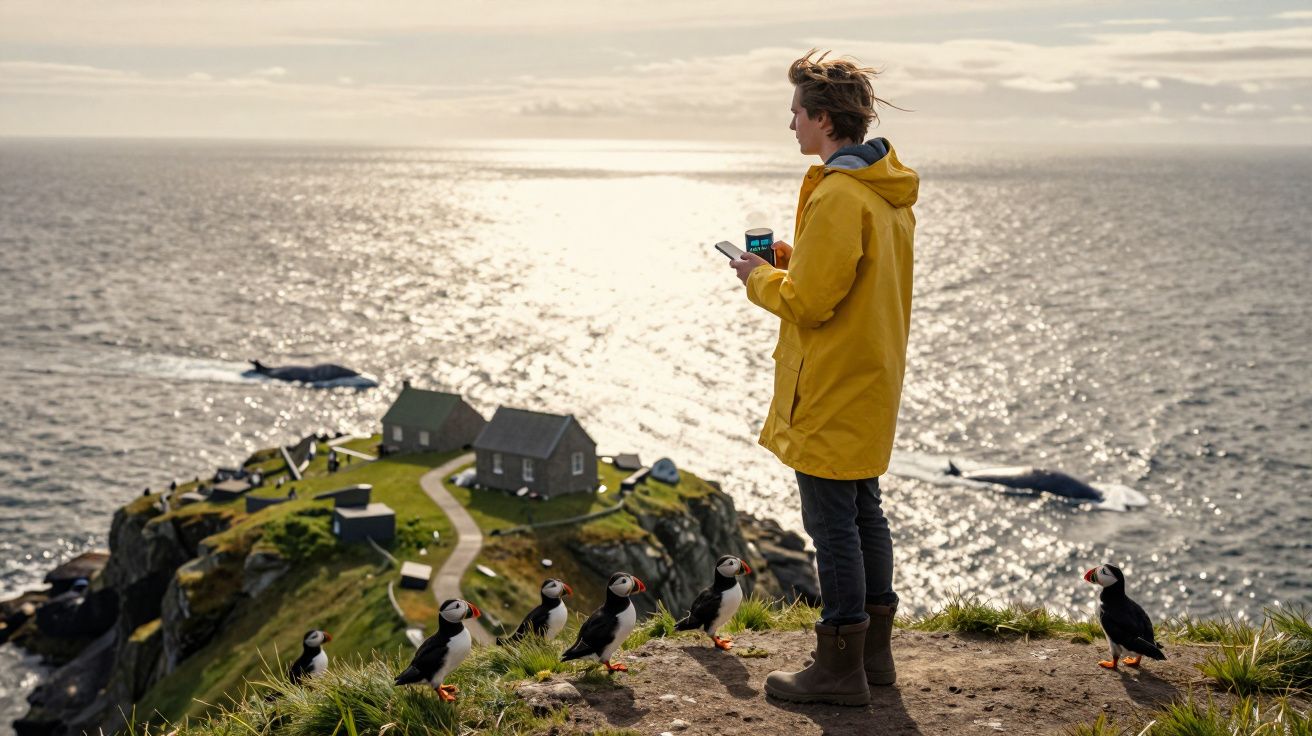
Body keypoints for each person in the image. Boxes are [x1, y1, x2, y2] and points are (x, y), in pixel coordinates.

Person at [729, 49, 918, 706]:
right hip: (870, 378)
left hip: (832, 385)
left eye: (796, 115)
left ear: (824, 119)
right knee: (866, 514)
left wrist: (761, 280)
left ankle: (839, 667)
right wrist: (791, 261)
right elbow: (848, 281)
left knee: (832, 524)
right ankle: (874, 659)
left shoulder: (838, 195)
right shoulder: (884, 192)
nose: (791, 127)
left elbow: (809, 304)